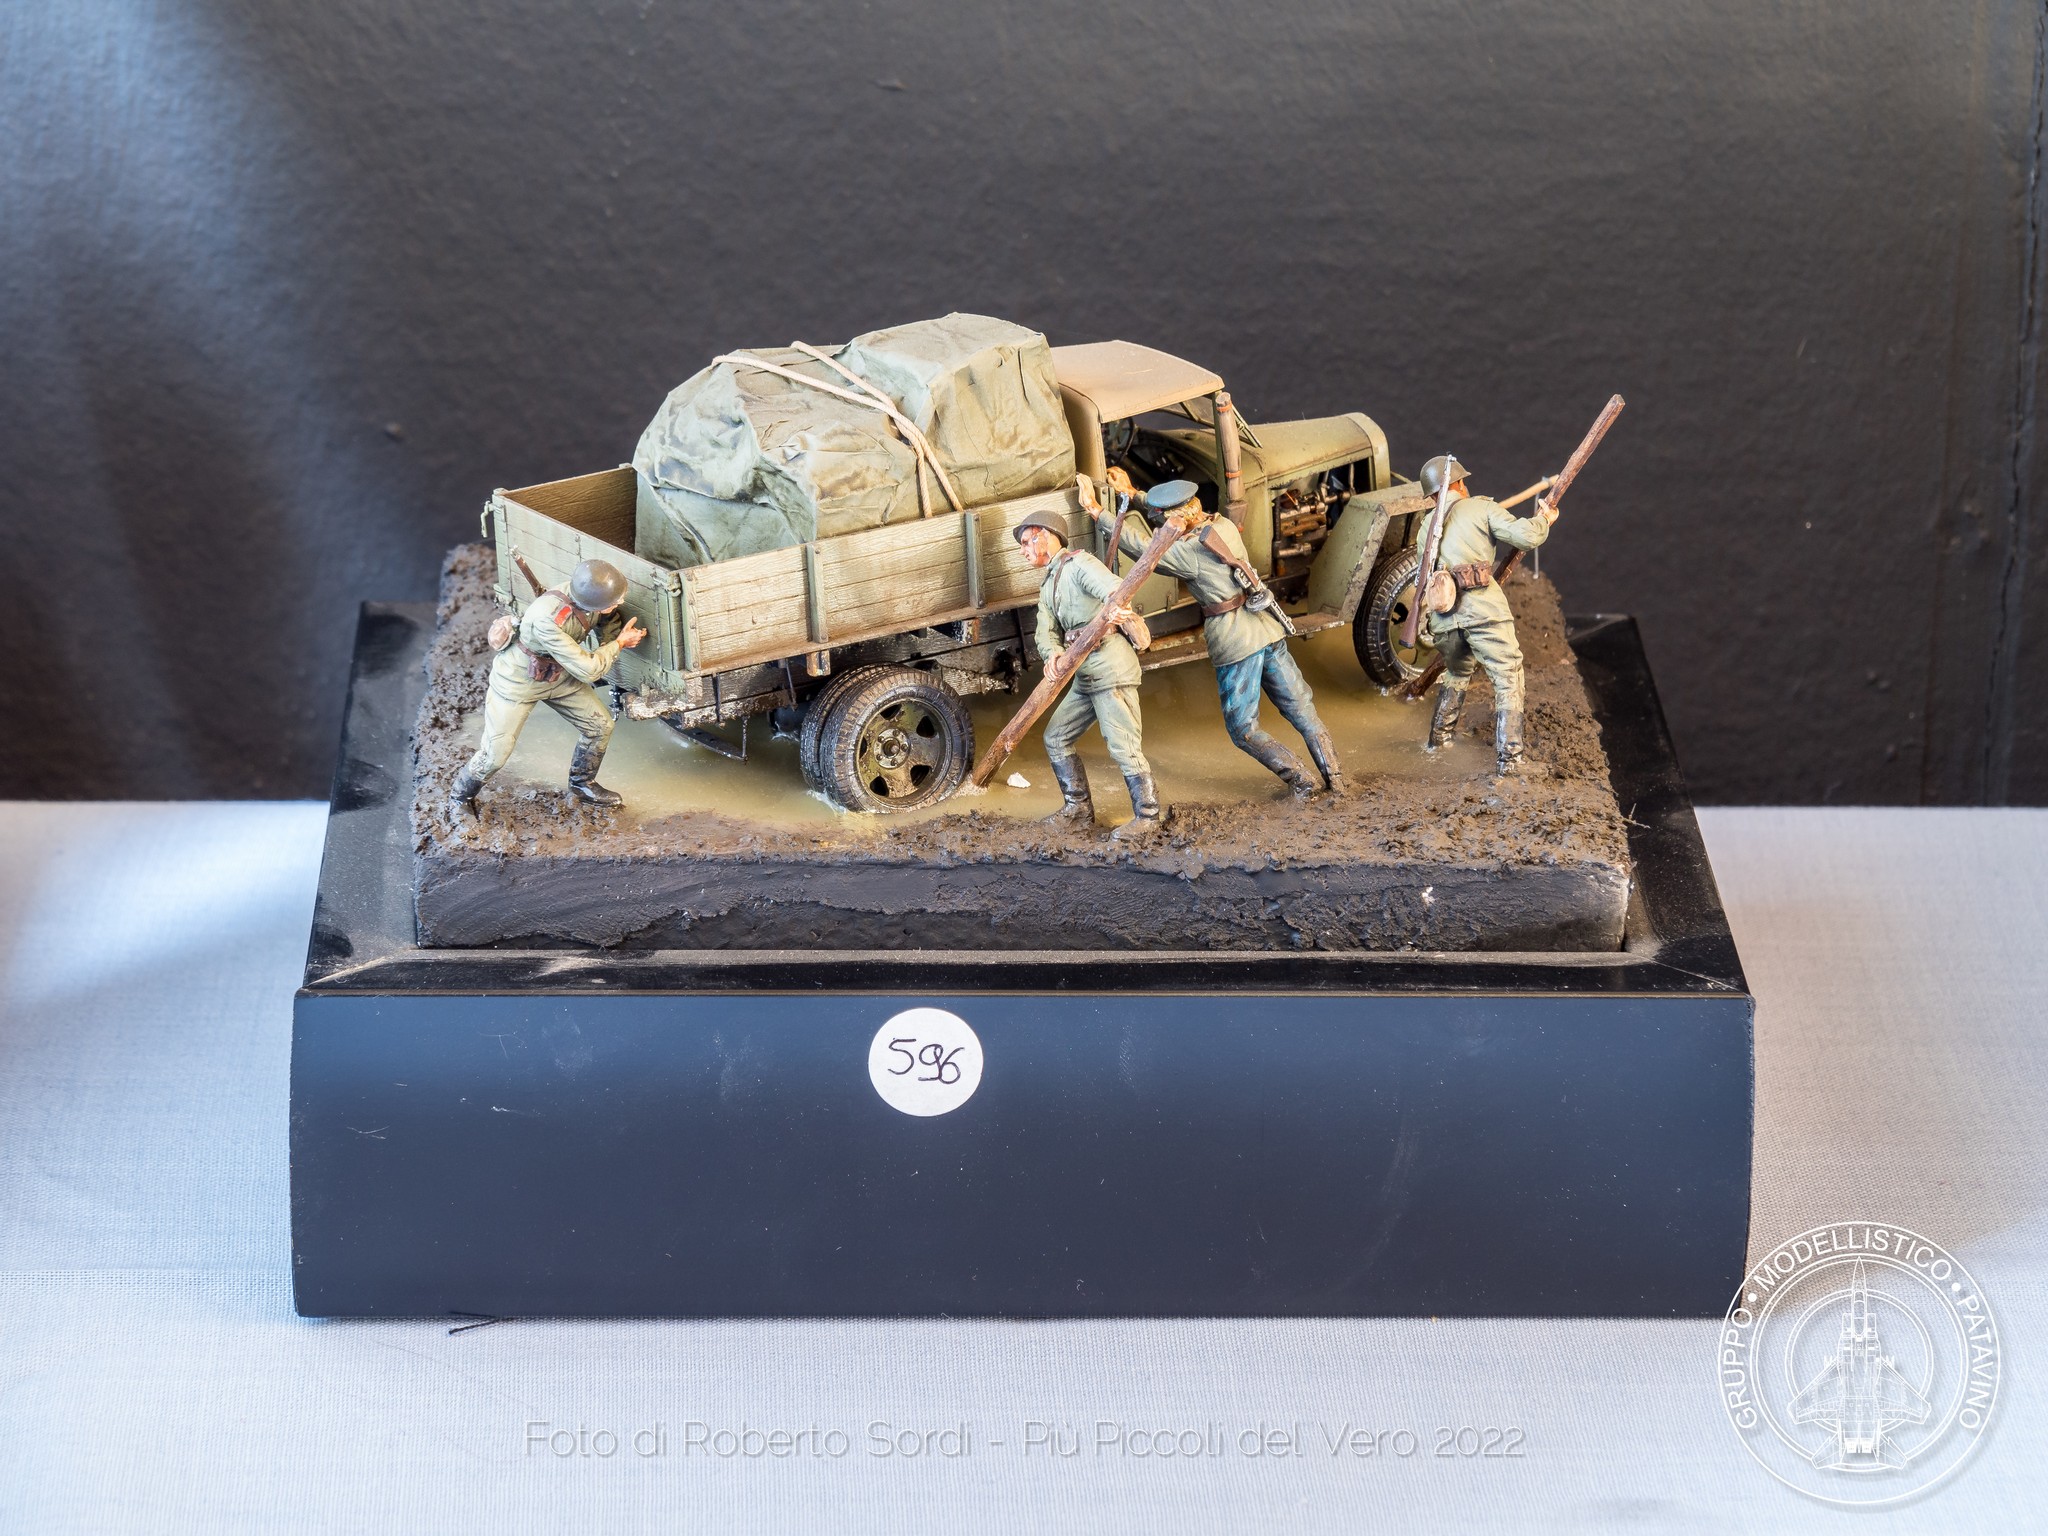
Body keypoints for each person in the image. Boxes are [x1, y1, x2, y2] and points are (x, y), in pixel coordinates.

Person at [1097, 473, 1344, 797]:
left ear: (1177, 520)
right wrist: (1134, 494)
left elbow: (1146, 549)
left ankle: (1303, 781)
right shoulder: (1220, 524)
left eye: (1164, 520)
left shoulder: (1189, 553)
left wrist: (1099, 514)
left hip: (1237, 640)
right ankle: (1336, 779)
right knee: (1302, 708)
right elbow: (1170, 515)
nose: (1161, 525)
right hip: (1266, 628)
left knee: (1243, 729)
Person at [448, 558, 647, 817]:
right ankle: (460, 796)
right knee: (496, 754)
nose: (619, 603)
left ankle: (582, 784)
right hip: (518, 683)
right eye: (613, 601)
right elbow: (589, 670)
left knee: (600, 727)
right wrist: (618, 644)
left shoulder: (589, 599)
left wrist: (607, 642)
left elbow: (608, 619)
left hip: (559, 677)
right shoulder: (546, 619)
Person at [1013, 509, 1160, 841]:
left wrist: (1115, 607)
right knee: (1056, 737)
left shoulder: (1079, 564)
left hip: (1110, 668)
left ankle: (1148, 817)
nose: (1023, 551)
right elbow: (1045, 630)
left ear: (1043, 537)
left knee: (1123, 746)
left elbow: (1116, 590)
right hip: (1084, 675)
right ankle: (1078, 810)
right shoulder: (1048, 584)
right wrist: (1052, 653)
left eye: (1026, 542)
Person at [1412, 453, 1555, 775]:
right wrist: (1544, 519)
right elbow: (1526, 537)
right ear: (1460, 483)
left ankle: (1439, 739)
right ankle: (1511, 761)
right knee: (1508, 674)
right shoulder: (1479, 508)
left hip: (1443, 618)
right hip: (1482, 611)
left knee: (1457, 672)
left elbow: (1422, 577)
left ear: (1432, 496)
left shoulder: (1424, 529)